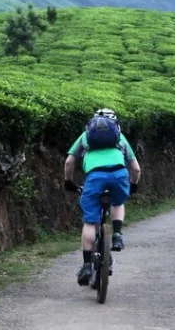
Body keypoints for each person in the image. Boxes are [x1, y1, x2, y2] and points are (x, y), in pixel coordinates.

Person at [64, 108, 141, 286]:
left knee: (90, 222)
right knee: (118, 201)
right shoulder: (120, 137)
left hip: (94, 177)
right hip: (119, 175)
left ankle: (87, 266)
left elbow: (69, 161)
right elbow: (136, 168)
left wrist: (68, 181)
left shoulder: (85, 136)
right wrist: (133, 184)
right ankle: (118, 235)